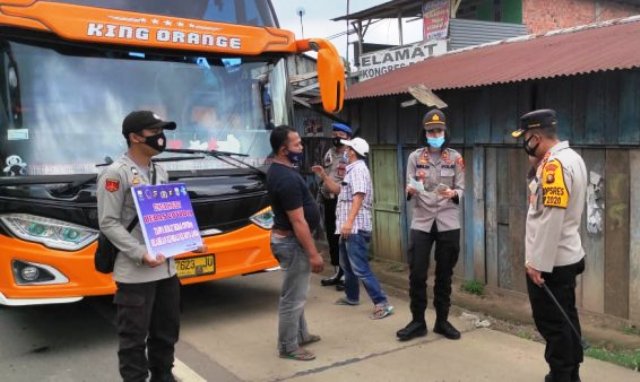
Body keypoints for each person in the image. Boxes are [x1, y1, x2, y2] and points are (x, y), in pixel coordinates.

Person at [97, 110, 206, 382]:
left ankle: (163, 376)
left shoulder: (161, 169)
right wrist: (140, 253)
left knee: (166, 333)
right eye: (155, 132)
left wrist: (190, 241)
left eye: (162, 131)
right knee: (133, 339)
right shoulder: (115, 174)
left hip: (166, 271)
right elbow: (108, 223)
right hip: (135, 274)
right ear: (135, 137)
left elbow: (166, 215)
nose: (161, 137)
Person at [512, 109, 587, 382]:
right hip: (566, 255)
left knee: (553, 325)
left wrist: (536, 264)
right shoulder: (570, 158)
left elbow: (551, 217)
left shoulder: (555, 165)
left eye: (526, 138)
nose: (524, 143)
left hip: (552, 263)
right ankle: (570, 372)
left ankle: (561, 375)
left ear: (535, 136)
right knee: (566, 319)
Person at [396, 109, 465, 341]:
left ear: (445, 131)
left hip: (448, 221)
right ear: (424, 133)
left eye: (439, 130)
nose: (435, 133)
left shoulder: (455, 157)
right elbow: (409, 186)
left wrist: (453, 193)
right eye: (431, 131)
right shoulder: (415, 157)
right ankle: (417, 322)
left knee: (444, 274)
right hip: (422, 220)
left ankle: (442, 321)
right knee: (417, 273)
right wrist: (409, 190)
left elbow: (462, 189)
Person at [313, 137, 394, 320]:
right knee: (347, 265)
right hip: (347, 227)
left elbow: (359, 196)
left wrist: (349, 223)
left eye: (347, 148)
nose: (344, 151)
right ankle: (352, 297)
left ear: (352, 151)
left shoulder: (358, 170)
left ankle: (382, 303)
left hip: (355, 227)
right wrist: (324, 176)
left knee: (360, 268)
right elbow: (339, 191)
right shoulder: (351, 171)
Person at [266, 125, 324, 361]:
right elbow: (298, 220)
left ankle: (301, 334)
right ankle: (288, 346)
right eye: (297, 144)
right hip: (292, 242)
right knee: (293, 297)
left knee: (297, 291)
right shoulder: (286, 178)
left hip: (287, 240)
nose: (301, 147)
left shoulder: (281, 169)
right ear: (283, 149)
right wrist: (313, 253)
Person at [318, 123, 352, 290]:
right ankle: (337, 271)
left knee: (342, 238)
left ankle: (347, 274)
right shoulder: (329, 153)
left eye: (340, 134)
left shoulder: (351, 155)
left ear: (348, 137)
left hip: (343, 201)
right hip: (328, 200)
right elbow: (326, 174)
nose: (336, 138)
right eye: (334, 134)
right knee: (331, 236)